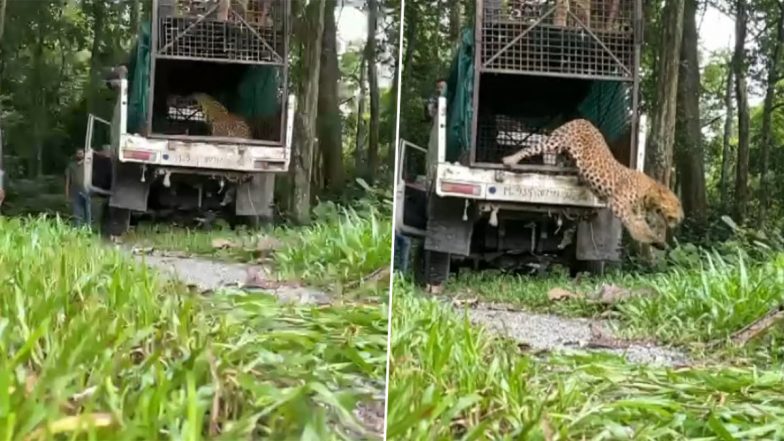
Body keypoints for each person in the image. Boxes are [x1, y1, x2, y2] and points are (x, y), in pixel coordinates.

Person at [65, 149, 91, 227]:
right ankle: (78, 229)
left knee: (88, 212)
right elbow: (67, 181)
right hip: (75, 192)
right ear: (76, 155)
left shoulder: (87, 165)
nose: (79, 155)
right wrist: (67, 194)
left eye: (81, 153)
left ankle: (88, 229)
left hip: (86, 191)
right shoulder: (71, 166)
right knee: (77, 213)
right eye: (78, 153)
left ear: (84, 154)